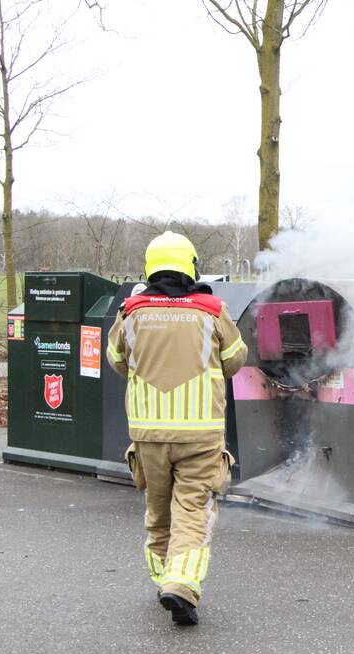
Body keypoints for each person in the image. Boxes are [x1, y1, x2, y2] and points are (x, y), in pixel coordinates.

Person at [106, 231, 248, 625]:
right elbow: (236, 359)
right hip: (200, 437)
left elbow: (117, 360)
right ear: (191, 265)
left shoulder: (131, 311)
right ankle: (180, 584)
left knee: (158, 510)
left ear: (151, 267)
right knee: (193, 510)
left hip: (149, 436)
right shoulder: (211, 309)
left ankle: (162, 578)